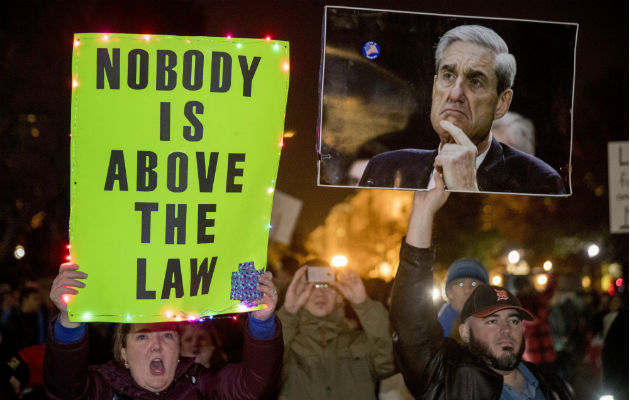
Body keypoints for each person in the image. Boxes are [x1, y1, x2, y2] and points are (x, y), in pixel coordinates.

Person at [389, 174, 573, 399]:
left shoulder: (551, 385)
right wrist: (423, 211)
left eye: (513, 320)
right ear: (465, 332)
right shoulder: (452, 382)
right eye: (492, 321)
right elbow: (412, 326)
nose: (505, 329)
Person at [359, 25, 566, 195]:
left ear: (502, 103)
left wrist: (467, 190)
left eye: (475, 81)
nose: (455, 94)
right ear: (434, 88)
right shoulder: (384, 167)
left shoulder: (541, 181)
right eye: (448, 76)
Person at [44, 262, 283, 399]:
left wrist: (262, 322)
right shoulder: (102, 390)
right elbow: (65, 388)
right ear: (123, 351)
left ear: (179, 348)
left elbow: (253, 386)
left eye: (168, 335)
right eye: (143, 336)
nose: (157, 345)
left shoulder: (199, 385)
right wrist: (69, 318)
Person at [276, 260, 396, 399]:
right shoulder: (289, 345)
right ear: (298, 292)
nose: (320, 293)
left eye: (326, 285)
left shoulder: (361, 342)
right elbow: (266, 368)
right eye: (311, 286)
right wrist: (289, 313)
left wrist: (364, 304)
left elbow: (390, 360)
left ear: (340, 295)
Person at [438, 258, 489, 339]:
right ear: (449, 292)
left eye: (474, 283)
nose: (467, 290)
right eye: (461, 283)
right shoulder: (436, 331)